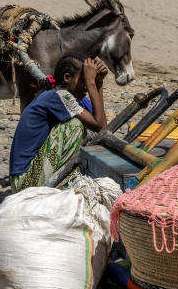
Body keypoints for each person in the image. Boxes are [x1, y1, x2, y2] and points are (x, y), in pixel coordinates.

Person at [9, 54, 108, 191]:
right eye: (84, 80)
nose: (86, 86)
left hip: (35, 174)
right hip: (24, 180)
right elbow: (98, 126)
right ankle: (58, 185)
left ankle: (65, 182)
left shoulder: (77, 101)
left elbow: (102, 129)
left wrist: (99, 84)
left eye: (88, 82)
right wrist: (91, 83)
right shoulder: (58, 95)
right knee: (76, 125)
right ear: (67, 78)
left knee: (90, 131)